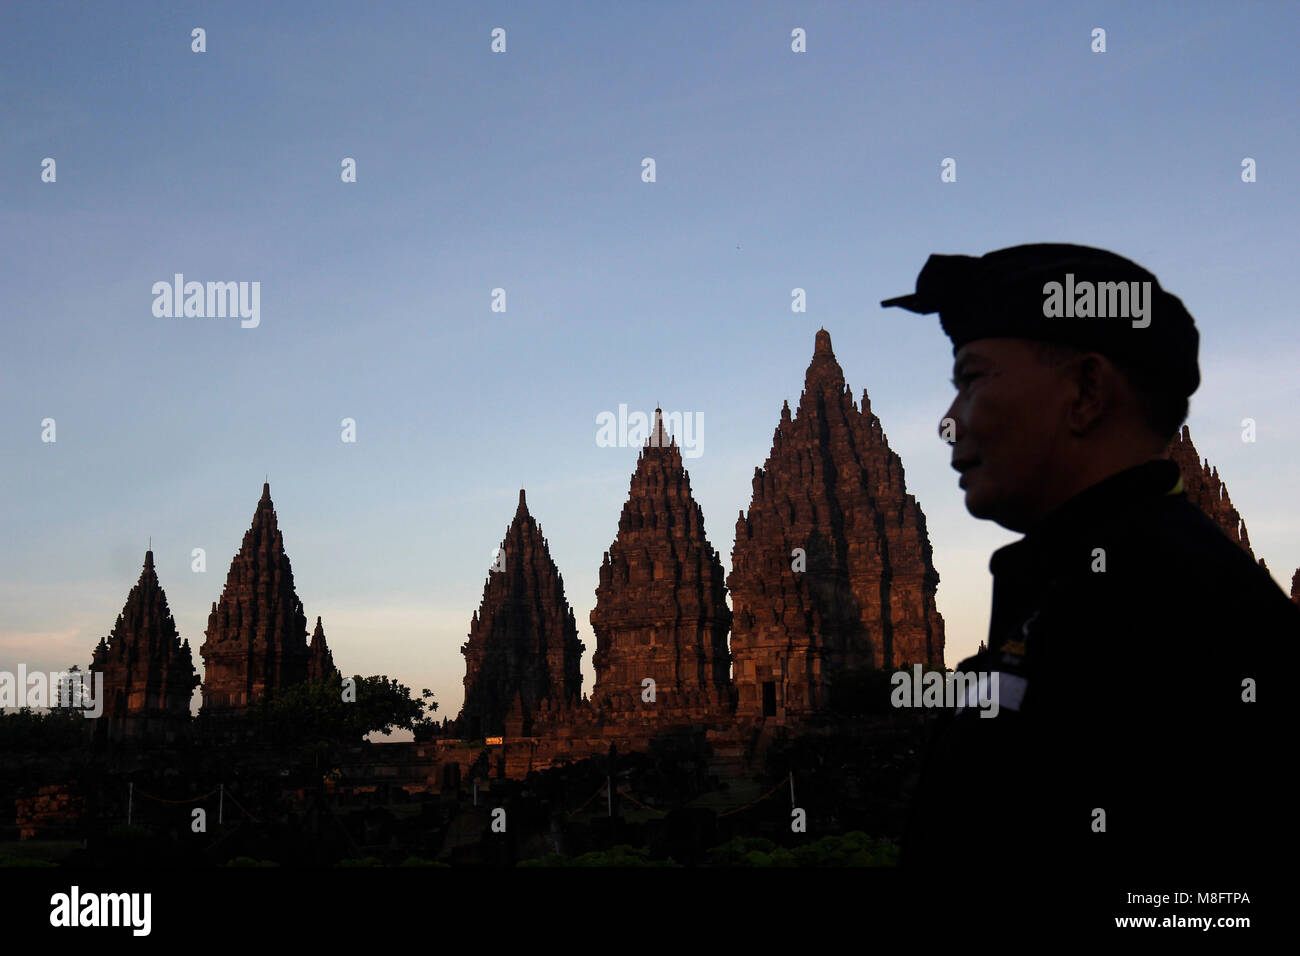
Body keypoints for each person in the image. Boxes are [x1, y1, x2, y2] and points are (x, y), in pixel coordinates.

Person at [881, 244, 1299, 883]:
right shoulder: (1077, 589)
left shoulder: (1174, 620)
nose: (950, 421)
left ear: (1086, 391)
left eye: (972, 379)